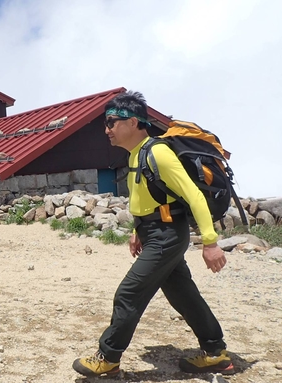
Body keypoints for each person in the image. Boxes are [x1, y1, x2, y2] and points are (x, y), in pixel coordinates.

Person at [72, 91, 234, 377]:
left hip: (167, 235)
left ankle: (108, 358)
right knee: (183, 295)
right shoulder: (137, 154)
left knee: (129, 292)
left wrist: (210, 243)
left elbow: (194, 196)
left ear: (132, 122)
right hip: (156, 231)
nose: (106, 129)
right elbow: (145, 198)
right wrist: (138, 229)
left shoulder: (157, 152)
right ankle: (216, 354)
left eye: (111, 122)